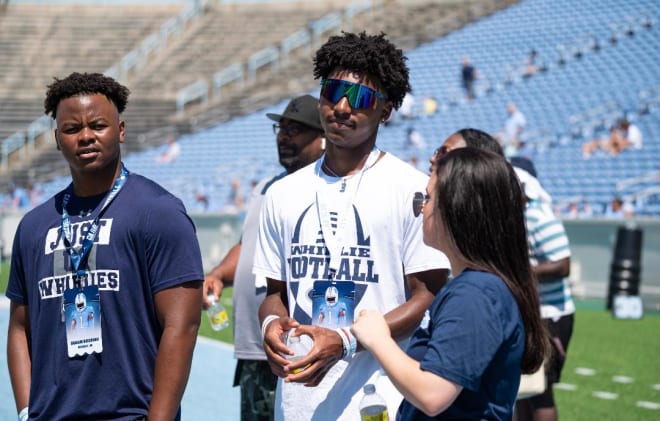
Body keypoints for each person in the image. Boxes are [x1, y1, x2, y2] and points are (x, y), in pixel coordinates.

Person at [254, 31, 450, 421]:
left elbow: (427, 295)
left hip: (382, 398)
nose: (341, 107)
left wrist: (345, 341)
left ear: (386, 110)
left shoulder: (411, 188)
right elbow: (273, 292)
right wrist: (271, 327)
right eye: (332, 92)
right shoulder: (282, 193)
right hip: (298, 400)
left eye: (359, 97)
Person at [6, 72, 203, 421]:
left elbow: (182, 325)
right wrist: (25, 411)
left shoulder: (158, 212)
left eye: (98, 125)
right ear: (56, 139)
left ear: (121, 130)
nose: (85, 137)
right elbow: (20, 328)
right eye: (71, 129)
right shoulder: (34, 226)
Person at [351, 147, 549, 420]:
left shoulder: (475, 293)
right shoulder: (479, 287)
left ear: (459, 208)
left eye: (429, 198)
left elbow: (433, 395)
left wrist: (377, 337)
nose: (421, 208)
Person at [203, 94, 325, 421]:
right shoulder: (268, 188)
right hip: (255, 349)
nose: (284, 136)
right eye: (281, 129)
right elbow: (247, 245)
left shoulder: (325, 191)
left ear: (324, 137)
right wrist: (218, 274)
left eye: (296, 129)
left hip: (295, 350)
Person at [512, 158, 576, 421]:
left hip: (550, 315)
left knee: (541, 392)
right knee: (523, 391)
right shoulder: (519, 217)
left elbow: (563, 265)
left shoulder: (539, 216)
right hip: (533, 314)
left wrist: (519, 273)